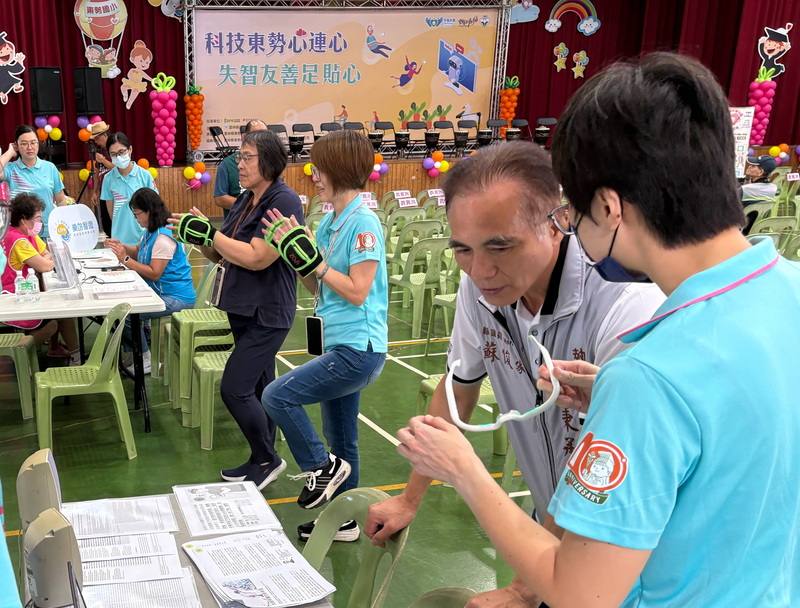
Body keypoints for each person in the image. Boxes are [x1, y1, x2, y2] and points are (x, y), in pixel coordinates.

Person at [396, 53, 800, 607]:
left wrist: (466, 470)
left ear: (609, 206)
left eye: (575, 216)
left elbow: (579, 592)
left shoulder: (651, 369)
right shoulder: (789, 288)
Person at [364, 141, 663, 605]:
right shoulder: (479, 291)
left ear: (558, 221)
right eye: (463, 250)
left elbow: (602, 465)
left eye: (501, 246)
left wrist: (526, 590)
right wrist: (409, 497)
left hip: (623, 549)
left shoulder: (623, 303)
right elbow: (458, 387)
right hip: (555, 526)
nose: (481, 270)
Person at [261, 130, 388, 543]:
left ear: (338, 169)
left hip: (359, 348)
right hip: (336, 340)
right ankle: (345, 520)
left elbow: (356, 290)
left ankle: (321, 467)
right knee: (342, 438)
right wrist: (292, 254)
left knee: (276, 395)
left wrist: (314, 264)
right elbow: (321, 288)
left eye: (318, 166)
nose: (313, 174)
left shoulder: (364, 222)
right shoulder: (330, 220)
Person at [171, 129, 302, 489]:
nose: (238, 165)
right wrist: (199, 237)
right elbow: (224, 253)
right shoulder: (246, 200)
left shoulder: (284, 201)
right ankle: (260, 456)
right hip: (242, 308)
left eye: (246, 158)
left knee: (234, 388)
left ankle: (267, 457)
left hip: (268, 312)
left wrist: (213, 236)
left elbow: (259, 258)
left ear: (270, 161)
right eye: (238, 157)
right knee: (260, 388)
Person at [106, 188, 196, 374]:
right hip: (160, 291)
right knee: (123, 306)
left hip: (176, 297)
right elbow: (139, 251)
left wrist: (125, 260)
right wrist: (121, 247)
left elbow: (154, 273)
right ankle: (134, 354)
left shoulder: (163, 237)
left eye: (138, 214)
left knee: (128, 315)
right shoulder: (150, 231)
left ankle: (144, 358)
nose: (136, 219)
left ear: (149, 211)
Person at [1, 193, 79, 363]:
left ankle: (56, 348)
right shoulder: (18, 240)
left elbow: (46, 254)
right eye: (37, 218)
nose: (40, 223)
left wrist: (46, 259)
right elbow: (45, 265)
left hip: (26, 291)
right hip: (16, 296)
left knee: (60, 307)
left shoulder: (27, 233)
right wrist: (46, 260)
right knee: (60, 317)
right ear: (23, 220)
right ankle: (21, 352)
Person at [0, 125, 67, 239]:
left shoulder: (50, 167)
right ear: (17, 146)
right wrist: (10, 152)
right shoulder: (10, 169)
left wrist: (64, 225)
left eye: (33, 142)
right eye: (24, 143)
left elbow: (60, 200)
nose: (29, 147)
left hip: (49, 231)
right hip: (20, 234)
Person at [101, 132, 157, 246]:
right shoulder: (108, 179)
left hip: (144, 239)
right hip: (120, 241)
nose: (118, 157)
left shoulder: (145, 176)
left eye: (121, 152)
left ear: (130, 149)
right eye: (113, 154)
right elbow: (112, 213)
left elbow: (154, 207)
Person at [214, 120, 267, 218]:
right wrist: (249, 206)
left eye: (265, 135)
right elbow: (220, 198)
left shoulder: (269, 163)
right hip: (235, 227)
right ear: (244, 137)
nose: (262, 139)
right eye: (256, 135)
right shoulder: (227, 165)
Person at [88, 121, 113, 233]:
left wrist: (103, 160)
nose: (96, 142)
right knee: (106, 221)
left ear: (104, 135)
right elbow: (98, 172)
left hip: (115, 190)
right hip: (104, 190)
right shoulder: (100, 150)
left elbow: (118, 168)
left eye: (97, 139)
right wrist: (95, 191)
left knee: (114, 220)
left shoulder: (114, 148)